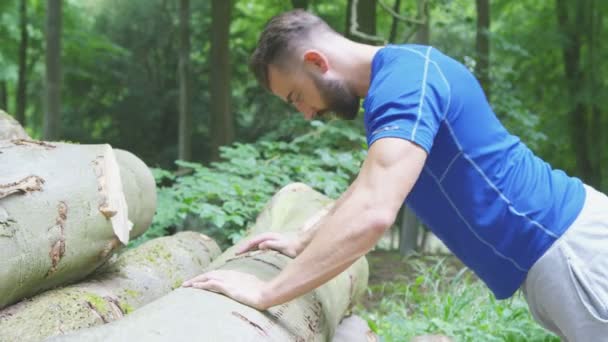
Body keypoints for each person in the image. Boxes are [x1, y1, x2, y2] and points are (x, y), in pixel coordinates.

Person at [183, 10, 608, 340]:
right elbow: (370, 184)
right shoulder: (400, 79)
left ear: (316, 61)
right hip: (555, 255)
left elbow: (373, 211)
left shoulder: (405, 82)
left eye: (297, 96)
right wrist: (304, 237)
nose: (307, 112)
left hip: (571, 250)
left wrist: (266, 292)